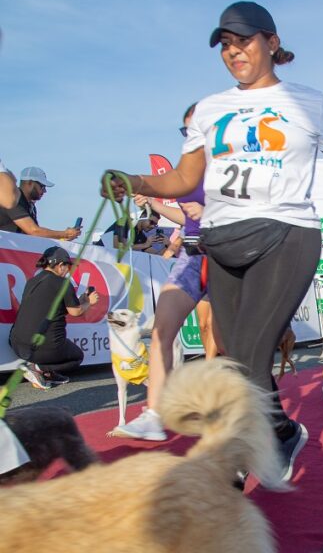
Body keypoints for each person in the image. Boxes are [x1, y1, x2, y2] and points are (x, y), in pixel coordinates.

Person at [101, 1, 323, 483]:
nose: (233, 51)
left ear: (272, 42)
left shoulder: (309, 102)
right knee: (235, 352)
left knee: (249, 355)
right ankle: (279, 431)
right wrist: (133, 180)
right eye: (224, 44)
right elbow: (183, 179)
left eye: (242, 40)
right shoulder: (209, 107)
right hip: (221, 241)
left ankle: (233, 456)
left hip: (287, 233)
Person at [110, 105, 219, 442]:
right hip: (190, 255)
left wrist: (212, 210)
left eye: (197, 129)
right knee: (162, 328)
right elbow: (180, 208)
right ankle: (154, 413)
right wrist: (143, 193)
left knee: (224, 340)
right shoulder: (187, 168)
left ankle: (236, 406)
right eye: (186, 130)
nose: (191, 136)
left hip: (224, 256)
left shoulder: (229, 166)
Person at [9, 247, 99, 389]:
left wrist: (81, 301)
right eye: (67, 267)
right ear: (60, 265)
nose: (68, 271)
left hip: (17, 344)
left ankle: (46, 374)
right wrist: (89, 302)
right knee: (77, 356)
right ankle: (39, 368)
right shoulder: (63, 283)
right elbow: (76, 312)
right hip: (43, 348)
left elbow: (48, 307)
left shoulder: (31, 281)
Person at [0, 167, 80, 241]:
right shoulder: (13, 200)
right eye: (42, 186)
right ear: (30, 183)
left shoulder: (31, 206)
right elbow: (34, 231)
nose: (45, 191)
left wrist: (63, 239)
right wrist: (65, 234)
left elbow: (36, 236)